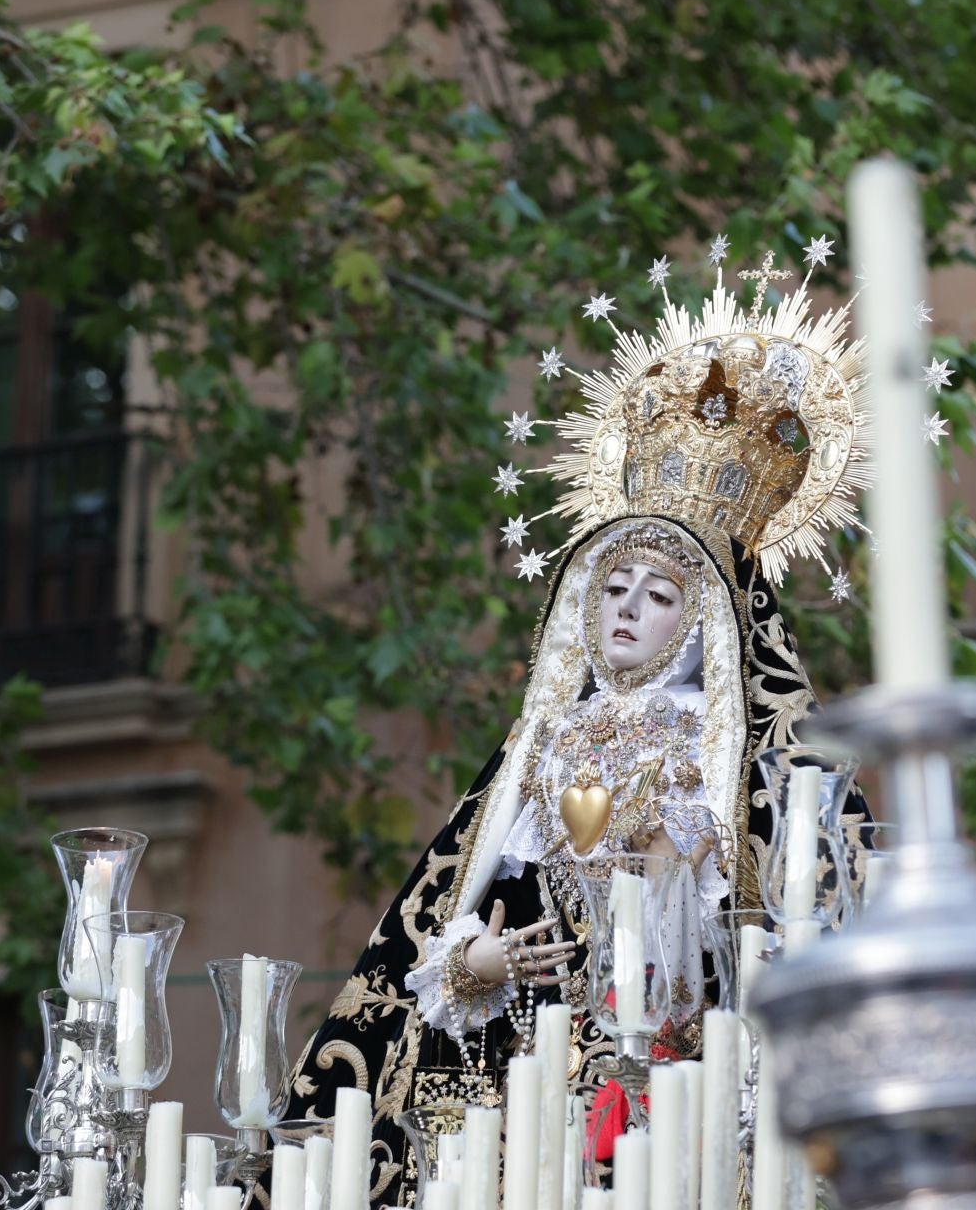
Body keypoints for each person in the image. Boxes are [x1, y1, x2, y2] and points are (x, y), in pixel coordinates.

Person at [284, 256, 873, 1204]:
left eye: (661, 593)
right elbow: (455, 929)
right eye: (612, 588)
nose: (629, 609)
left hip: (682, 1077)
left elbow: (786, 907)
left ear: (705, 624)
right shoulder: (539, 751)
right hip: (525, 1082)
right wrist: (475, 962)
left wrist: (681, 861)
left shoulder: (738, 757)